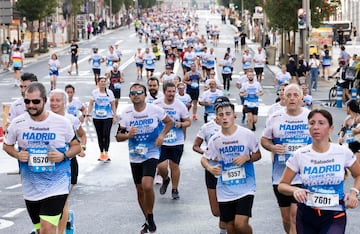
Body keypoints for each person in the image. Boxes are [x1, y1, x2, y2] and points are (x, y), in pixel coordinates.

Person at [3, 82, 81, 234]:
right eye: (27, 101)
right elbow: (7, 145)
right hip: (31, 187)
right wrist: (17, 154)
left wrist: (63, 155)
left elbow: (76, 146)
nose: (31, 105)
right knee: (41, 231)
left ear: (44, 100)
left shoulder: (62, 122)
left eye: (36, 101)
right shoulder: (18, 123)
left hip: (56, 185)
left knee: (46, 229)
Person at [278, 109, 360, 234]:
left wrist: (354, 193)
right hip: (307, 215)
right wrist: (295, 190)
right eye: (312, 123)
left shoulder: (343, 152)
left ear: (331, 128)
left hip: (334, 214)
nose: (316, 127)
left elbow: (358, 174)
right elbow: (282, 185)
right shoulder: (300, 155)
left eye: (321, 123)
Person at [116, 83, 173, 233]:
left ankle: (151, 215)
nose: (136, 95)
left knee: (147, 185)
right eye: (133, 93)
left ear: (145, 95)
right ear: (130, 97)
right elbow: (118, 136)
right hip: (135, 155)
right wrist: (128, 135)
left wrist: (161, 135)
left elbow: (169, 122)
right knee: (140, 190)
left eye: (139, 92)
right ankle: (147, 219)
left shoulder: (155, 110)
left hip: (152, 152)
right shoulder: (126, 113)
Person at [202, 101, 261, 234]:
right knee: (230, 227)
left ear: (235, 115)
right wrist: (210, 168)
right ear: (216, 118)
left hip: (246, 187)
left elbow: (258, 155)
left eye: (228, 114)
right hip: (225, 189)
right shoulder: (215, 140)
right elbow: (204, 159)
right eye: (221, 115)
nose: (224, 117)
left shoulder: (247, 134)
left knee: (240, 224)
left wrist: (247, 157)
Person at [261, 83, 312, 234]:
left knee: (295, 216)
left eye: (295, 95)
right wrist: (272, 147)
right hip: (281, 176)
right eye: (288, 95)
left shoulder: (310, 117)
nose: (292, 98)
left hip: (303, 177)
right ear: (283, 96)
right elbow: (264, 139)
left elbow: (322, 140)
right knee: (286, 219)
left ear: (302, 97)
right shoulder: (275, 117)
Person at [48, 89, 87, 234]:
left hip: (68, 163)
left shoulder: (71, 119)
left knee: (62, 200)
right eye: (52, 100)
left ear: (64, 103)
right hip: (48, 165)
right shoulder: (43, 119)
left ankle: (61, 231)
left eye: (58, 100)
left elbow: (82, 136)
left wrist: (80, 148)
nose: (54, 103)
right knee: (48, 200)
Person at [195, 96, 229, 234]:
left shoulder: (234, 127)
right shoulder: (207, 127)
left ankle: (225, 229)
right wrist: (208, 153)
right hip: (212, 170)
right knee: (216, 211)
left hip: (230, 171)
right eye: (219, 110)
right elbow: (195, 146)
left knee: (228, 208)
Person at [153, 82, 191, 200]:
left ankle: (175, 189)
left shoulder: (180, 105)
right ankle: (165, 179)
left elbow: (188, 122)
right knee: (161, 166)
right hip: (161, 140)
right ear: (164, 92)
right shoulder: (156, 104)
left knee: (174, 166)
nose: (171, 94)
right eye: (169, 91)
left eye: (173, 91)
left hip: (176, 140)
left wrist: (181, 124)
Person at [86, 76, 117, 161]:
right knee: (99, 135)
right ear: (98, 83)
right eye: (101, 81)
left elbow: (113, 104)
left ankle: (106, 152)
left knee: (106, 134)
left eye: (104, 81)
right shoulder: (95, 92)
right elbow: (91, 104)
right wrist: (88, 115)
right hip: (97, 117)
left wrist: (114, 116)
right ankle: (101, 153)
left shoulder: (109, 93)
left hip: (107, 117)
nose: (103, 83)